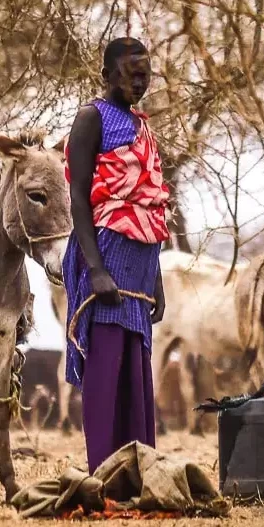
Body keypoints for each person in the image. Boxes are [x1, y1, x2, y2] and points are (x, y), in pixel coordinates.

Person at [62, 37, 169, 474]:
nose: (139, 82)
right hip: (104, 256)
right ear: (107, 75)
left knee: (136, 376)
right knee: (105, 372)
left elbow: (150, 207)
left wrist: (157, 280)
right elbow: (78, 196)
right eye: (131, 73)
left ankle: (137, 474)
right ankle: (103, 476)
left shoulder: (142, 127)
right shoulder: (91, 118)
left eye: (145, 74)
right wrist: (96, 269)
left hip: (141, 266)